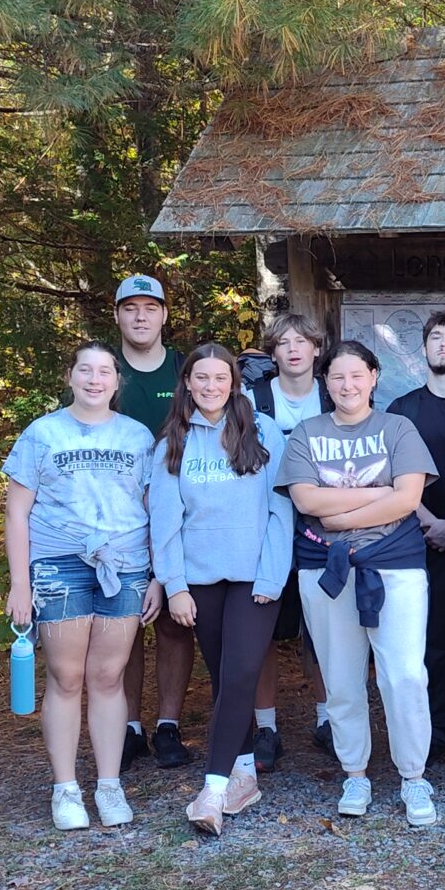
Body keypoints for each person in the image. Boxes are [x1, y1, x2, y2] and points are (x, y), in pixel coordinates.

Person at [278, 340, 439, 826]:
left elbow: (407, 500)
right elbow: (306, 501)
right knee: (341, 677)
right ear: (325, 384)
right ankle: (355, 772)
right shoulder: (307, 432)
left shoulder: (398, 428)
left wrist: (344, 509)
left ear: (374, 377)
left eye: (356, 375)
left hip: (395, 565)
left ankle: (413, 776)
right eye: (337, 378)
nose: (347, 385)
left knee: (406, 675)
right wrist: (379, 492)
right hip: (325, 569)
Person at [2, 342, 162, 831]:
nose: (95, 380)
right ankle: (66, 788)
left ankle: (110, 785)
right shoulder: (42, 434)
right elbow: (16, 511)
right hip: (58, 565)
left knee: (109, 677)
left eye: (105, 372)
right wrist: (19, 583)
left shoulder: (138, 437)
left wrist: (159, 575)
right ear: (69, 377)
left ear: (117, 382)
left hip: (127, 564)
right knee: (67, 677)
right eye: (85, 370)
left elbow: (156, 508)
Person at [152, 344, 295, 836]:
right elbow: (165, 522)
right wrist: (175, 586)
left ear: (235, 383)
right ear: (187, 383)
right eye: (202, 378)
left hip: (255, 579)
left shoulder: (263, 430)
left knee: (240, 672)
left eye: (221, 378)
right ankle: (246, 773)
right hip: (199, 580)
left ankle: (212, 790)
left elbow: (282, 511)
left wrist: (272, 577)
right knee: (222, 675)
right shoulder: (173, 441)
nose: (211, 387)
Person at [387, 310, 445, 758]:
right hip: (417, 542)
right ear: (423, 348)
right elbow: (389, 475)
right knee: (430, 645)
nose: (444, 344)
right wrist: (429, 521)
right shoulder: (402, 411)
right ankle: (435, 731)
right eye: (436, 337)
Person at [241, 308, 333, 765]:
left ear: (317, 349)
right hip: (265, 526)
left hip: (322, 528)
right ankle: (266, 728)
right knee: (265, 630)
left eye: (302, 341)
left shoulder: (332, 394)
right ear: (273, 351)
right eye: (283, 343)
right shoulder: (252, 397)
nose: (293, 350)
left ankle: (327, 718)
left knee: (323, 629)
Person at [112, 274, 195, 773]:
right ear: (118, 315)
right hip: (116, 517)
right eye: (130, 308)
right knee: (123, 624)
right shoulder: (103, 369)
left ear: (164, 314)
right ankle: (128, 726)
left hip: (178, 511)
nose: (141, 316)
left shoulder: (187, 369)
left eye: (150, 307)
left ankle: (168, 725)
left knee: (172, 623)